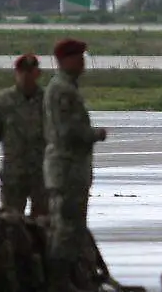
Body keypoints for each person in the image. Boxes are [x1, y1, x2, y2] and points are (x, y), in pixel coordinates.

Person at [44, 38, 108, 292]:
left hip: (72, 170)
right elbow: (68, 131)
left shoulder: (67, 87)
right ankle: (59, 282)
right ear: (64, 60)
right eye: (78, 58)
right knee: (66, 230)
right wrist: (94, 134)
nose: (82, 63)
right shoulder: (63, 90)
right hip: (67, 170)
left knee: (71, 228)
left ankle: (71, 279)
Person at [0, 53, 47, 216]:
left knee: (43, 220)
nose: (25, 76)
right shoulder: (3, 102)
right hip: (13, 173)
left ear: (37, 73)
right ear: (16, 73)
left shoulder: (48, 101)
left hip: (42, 173)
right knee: (11, 220)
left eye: (30, 71)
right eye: (22, 72)